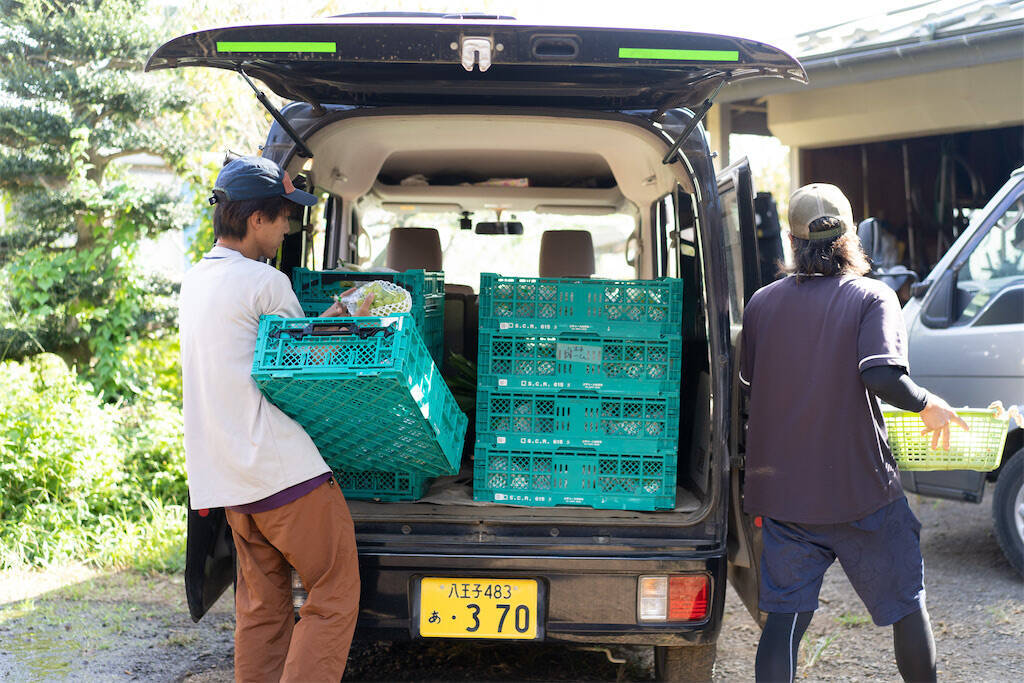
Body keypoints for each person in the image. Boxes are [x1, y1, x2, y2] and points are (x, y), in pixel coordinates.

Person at [739, 183, 968, 683]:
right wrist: (929, 404)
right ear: (852, 235)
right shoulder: (872, 296)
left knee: (784, 622)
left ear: (792, 240)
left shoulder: (760, 304)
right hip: (862, 495)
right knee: (905, 606)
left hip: (786, 500)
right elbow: (881, 375)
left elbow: (749, 389)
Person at [179, 155, 372, 682]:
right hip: (281, 471)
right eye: (283, 216)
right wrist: (341, 325)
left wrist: (318, 325)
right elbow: (299, 373)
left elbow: (260, 354)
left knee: (263, 607)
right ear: (256, 219)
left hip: (229, 480)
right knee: (334, 591)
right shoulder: (265, 283)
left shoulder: (196, 280)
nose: (288, 228)